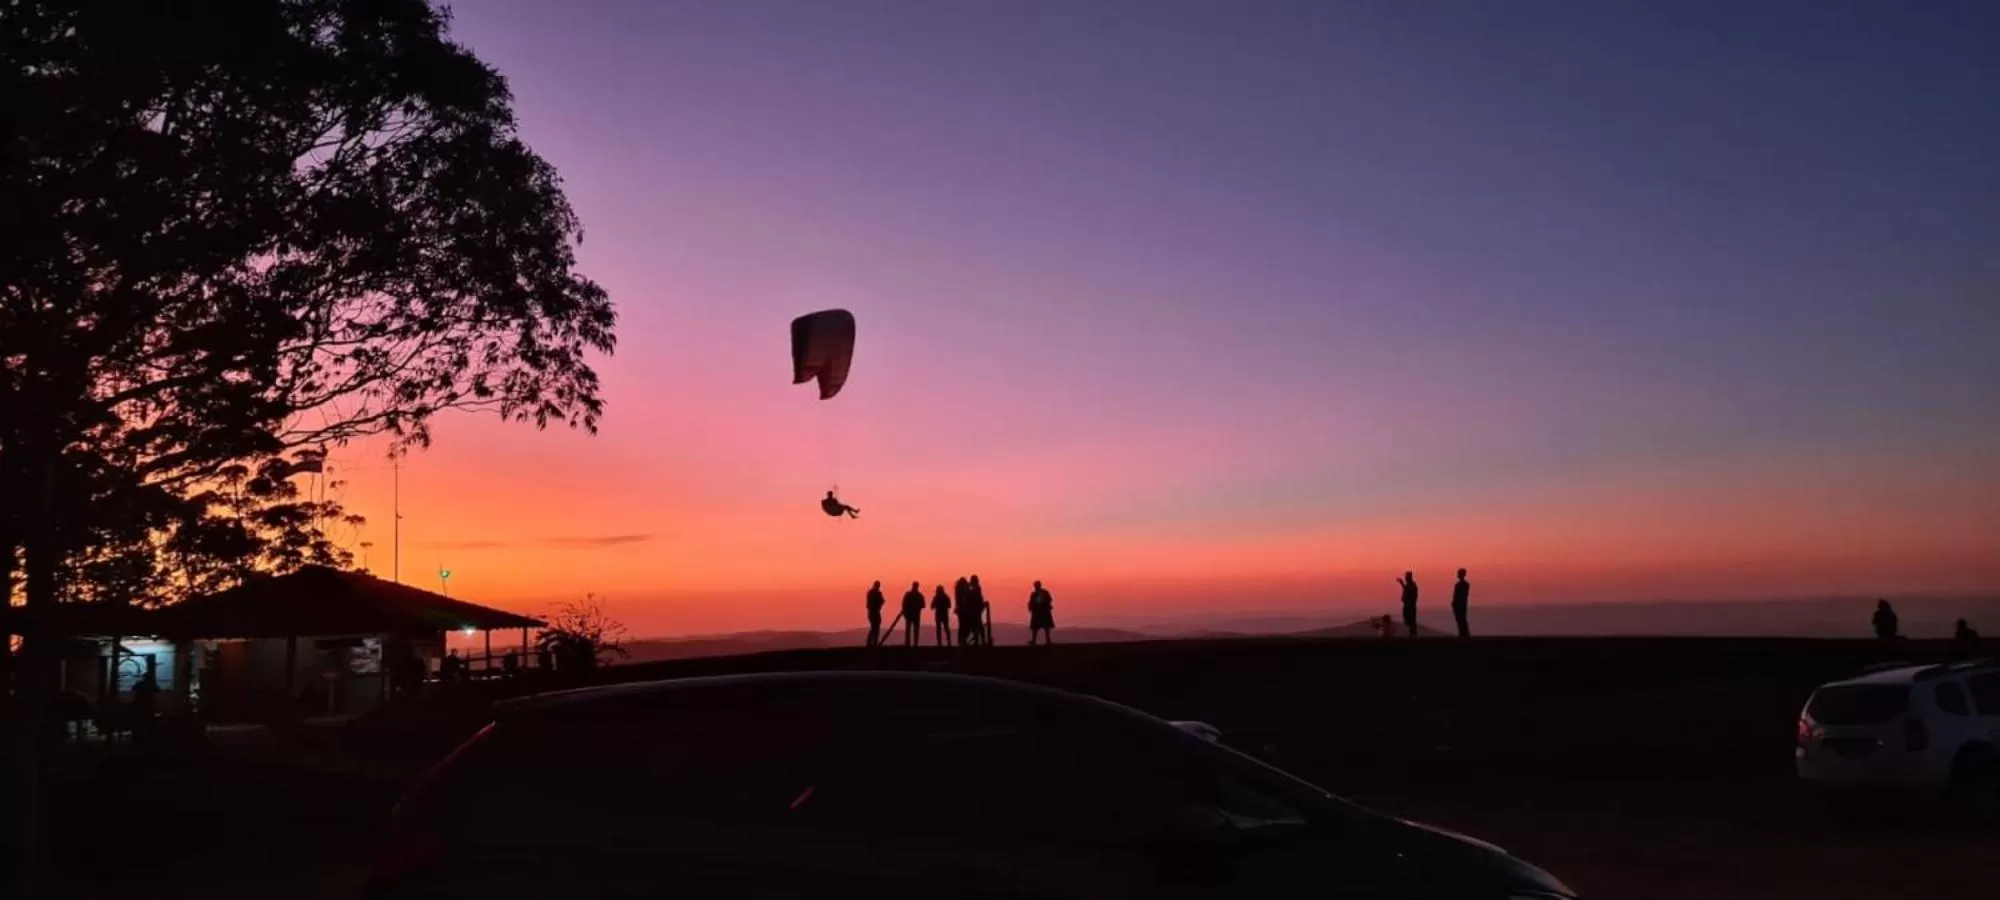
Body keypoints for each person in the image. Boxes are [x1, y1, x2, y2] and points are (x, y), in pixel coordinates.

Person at [1028, 581, 1056, 645]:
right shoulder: (1034, 594)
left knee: (1045, 627)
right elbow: (1031, 602)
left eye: (1036, 585)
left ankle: (1047, 640)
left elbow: (1049, 600)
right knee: (1035, 627)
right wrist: (1031, 607)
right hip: (1038, 612)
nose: (1035, 587)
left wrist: (1039, 603)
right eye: (1035, 586)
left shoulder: (1044, 592)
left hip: (1043, 612)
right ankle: (1034, 640)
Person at [901, 582, 926, 647]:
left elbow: (903, 604)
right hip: (915, 615)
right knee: (915, 629)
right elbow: (923, 605)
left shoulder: (908, 594)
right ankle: (915, 644)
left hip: (909, 615)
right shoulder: (919, 595)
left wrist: (904, 612)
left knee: (909, 629)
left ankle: (908, 644)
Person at [1397, 571, 1419, 637]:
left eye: (1406, 577)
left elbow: (1413, 596)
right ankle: (1412, 634)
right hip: (1408, 606)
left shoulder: (1412, 585)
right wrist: (1401, 583)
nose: (1405, 578)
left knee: (1410, 622)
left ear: (1409, 577)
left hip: (1410, 607)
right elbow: (1406, 588)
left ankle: (1413, 635)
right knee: (1409, 622)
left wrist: (1409, 603)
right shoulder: (1410, 585)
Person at [1451, 568, 1472, 638]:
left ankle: (1464, 633)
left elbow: (1463, 595)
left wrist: (1457, 602)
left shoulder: (1465, 585)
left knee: (1462, 619)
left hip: (1461, 604)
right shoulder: (1458, 585)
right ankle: (1462, 633)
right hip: (1458, 604)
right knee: (1459, 619)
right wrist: (1454, 603)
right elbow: (1455, 595)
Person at [970, 575, 990, 646]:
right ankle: (981, 640)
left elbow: (974, 598)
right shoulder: (977, 588)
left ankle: (979, 641)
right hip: (977, 609)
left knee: (977, 625)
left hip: (976, 610)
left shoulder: (976, 588)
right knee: (978, 625)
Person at [865, 581, 886, 646]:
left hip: (872, 612)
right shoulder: (877, 593)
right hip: (875, 612)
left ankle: (871, 642)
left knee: (874, 627)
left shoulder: (870, 592)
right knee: (875, 628)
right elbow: (882, 601)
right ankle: (873, 643)